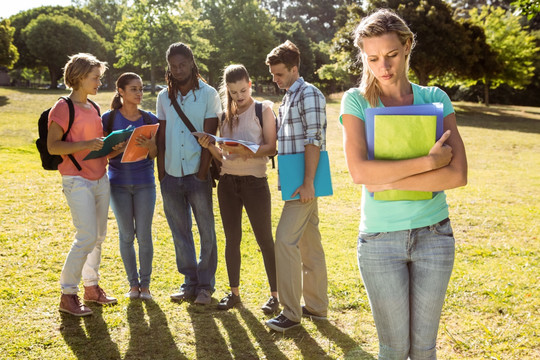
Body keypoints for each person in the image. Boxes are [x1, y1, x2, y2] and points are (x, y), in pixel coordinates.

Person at [340, 9, 468, 359]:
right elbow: (361, 175)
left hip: (434, 236)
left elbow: (457, 175)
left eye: (392, 55)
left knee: (424, 350)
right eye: (373, 58)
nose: (383, 66)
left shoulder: (436, 99)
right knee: (394, 351)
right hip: (380, 243)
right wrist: (429, 163)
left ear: (408, 45)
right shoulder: (356, 102)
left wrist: (389, 175)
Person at [198, 64, 279, 313]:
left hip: (255, 183)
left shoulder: (262, 109)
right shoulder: (224, 116)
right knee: (232, 239)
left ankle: (275, 296)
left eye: (243, 90)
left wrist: (248, 150)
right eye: (233, 92)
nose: (239, 97)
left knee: (265, 239)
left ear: (250, 84)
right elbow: (223, 156)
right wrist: (210, 146)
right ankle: (234, 293)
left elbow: (272, 147)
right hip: (228, 183)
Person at [264, 41, 329, 332]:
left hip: (304, 182)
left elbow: (313, 139)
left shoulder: (309, 94)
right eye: (273, 75)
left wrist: (307, 183)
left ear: (294, 69)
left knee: (285, 241)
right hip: (293, 180)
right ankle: (316, 306)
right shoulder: (288, 96)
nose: (275, 80)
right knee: (308, 243)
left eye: (279, 74)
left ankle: (290, 313)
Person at [48, 53, 117, 317]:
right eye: (95, 77)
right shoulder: (63, 107)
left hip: (100, 176)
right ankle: (68, 295)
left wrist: (112, 148)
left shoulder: (95, 108)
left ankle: (91, 288)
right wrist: (87, 144)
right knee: (86, 236)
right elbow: (53, 146)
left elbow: (96, 148)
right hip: (76, 180)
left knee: (98, 237)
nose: (99, 82)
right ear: (78, 78)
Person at [156, 42, 221, 305]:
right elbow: (160, 137)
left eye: (183, 64)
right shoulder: (163, 97)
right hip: (170, 173)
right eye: (173, 66)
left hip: (197, 173)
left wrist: (202, 174)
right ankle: (189, 283)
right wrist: (161, 173)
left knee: (206, 230)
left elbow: (209, 136)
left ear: (192, 63)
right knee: (179, 231)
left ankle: (205, 286)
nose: (178, 69)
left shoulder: (208, 94)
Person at [102, 72, 159, 301]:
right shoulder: (108, 118)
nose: (139, 93)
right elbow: (102, 154)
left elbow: (155, 154)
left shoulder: (149, 118)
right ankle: (133, 285)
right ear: (121, 92)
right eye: (133, 89)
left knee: (144, 235)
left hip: (145, 183)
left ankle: (145, 286)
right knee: (126, 236)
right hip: (118, 184)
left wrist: (149, 145)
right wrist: (118, 148)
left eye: (141, 89)